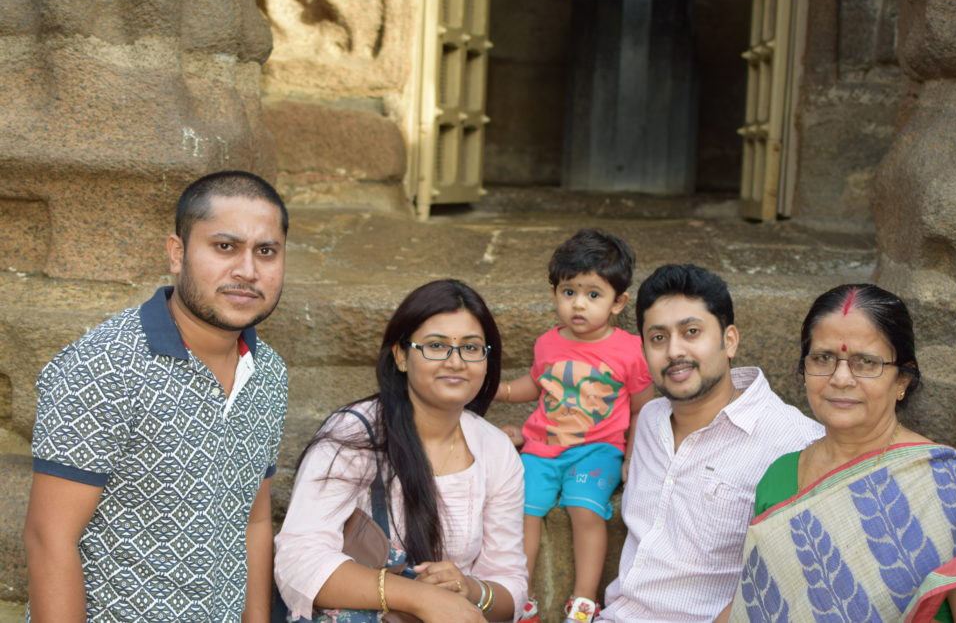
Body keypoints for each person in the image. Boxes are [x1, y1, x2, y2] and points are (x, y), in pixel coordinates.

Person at [23, 170, 290, 621]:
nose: (247, 271)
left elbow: (254, 520)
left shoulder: (268, 372)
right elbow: (49, 538)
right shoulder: (103, 365)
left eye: (266, 252)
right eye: (225, 247)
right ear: (177, 253)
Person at [728, 283, 956, 622]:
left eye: (865, 362)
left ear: (902, 380)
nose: (840, 378)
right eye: (823, 358)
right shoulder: (779, 476)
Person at [274, 279, 528, 623]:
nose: (456, 362)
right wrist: (423, 599)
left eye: (471, 348)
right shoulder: (355, 434)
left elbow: (509, 584)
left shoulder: (496, 450)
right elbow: (299, 559)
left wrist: (470, 590)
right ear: (401, 355)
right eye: (436, 346)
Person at [598, 264, 823, 623]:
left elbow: (803, 579)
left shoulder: (795, 442)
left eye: (691, 332)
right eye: (658, 338)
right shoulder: (651, 421)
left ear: (729, 340)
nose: (674, 351)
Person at [495, 228, 654, 623]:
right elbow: (538, 384)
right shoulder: (548, 343)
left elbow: (641, 410)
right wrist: (496, 390)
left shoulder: (630, 351)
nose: (578, 305)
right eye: (568, 293)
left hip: (597, 451)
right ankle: (522, 594)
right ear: (554, 294)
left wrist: (632, 457)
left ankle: (584, 601)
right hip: (543, 449)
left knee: (584, 511)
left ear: (618, 302)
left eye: (593, 295)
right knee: (524, 510)